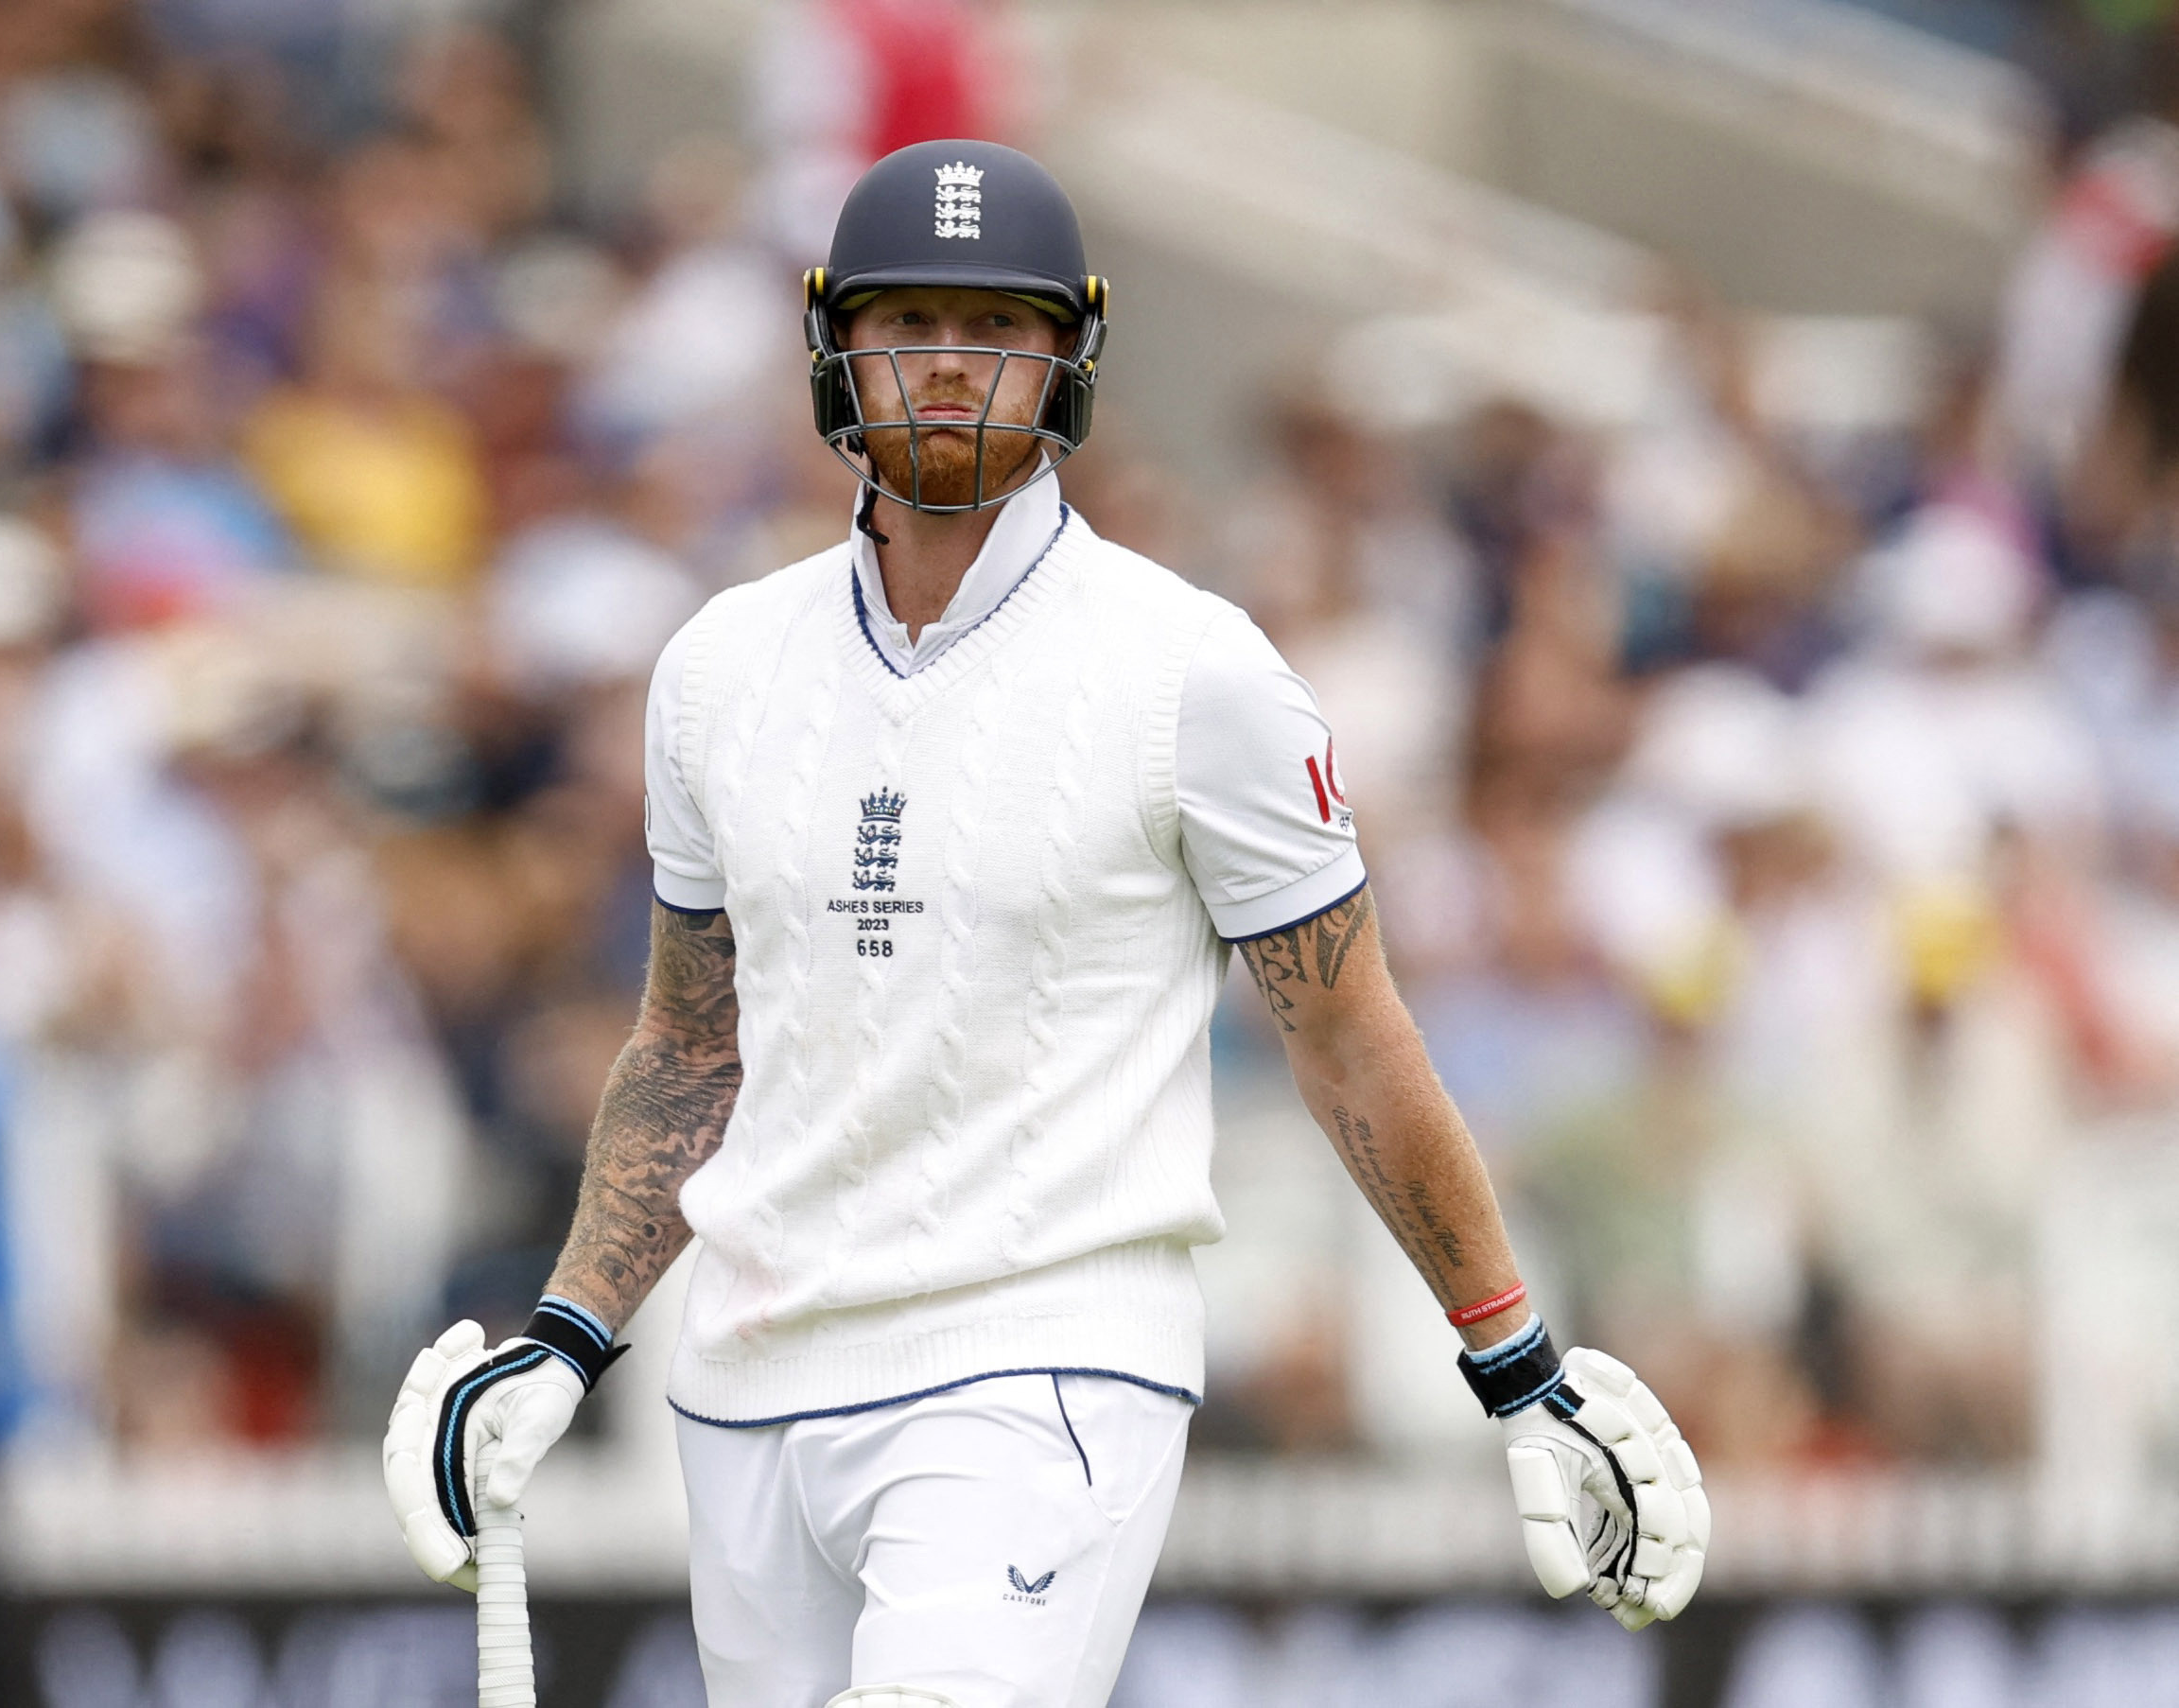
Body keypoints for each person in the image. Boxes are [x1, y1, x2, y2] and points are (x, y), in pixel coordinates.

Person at [384, 140, 1707, 1708]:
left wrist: (1517, 1364)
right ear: (836, 343)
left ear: (1068, 354)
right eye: (909, 324)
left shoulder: (1193, 673)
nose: (951, 369)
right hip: (745, 1380)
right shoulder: (719, 670)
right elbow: (691, 1045)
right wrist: (568, 1331)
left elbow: (1350, 1033)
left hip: (1043, 1356)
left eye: (998, 331)